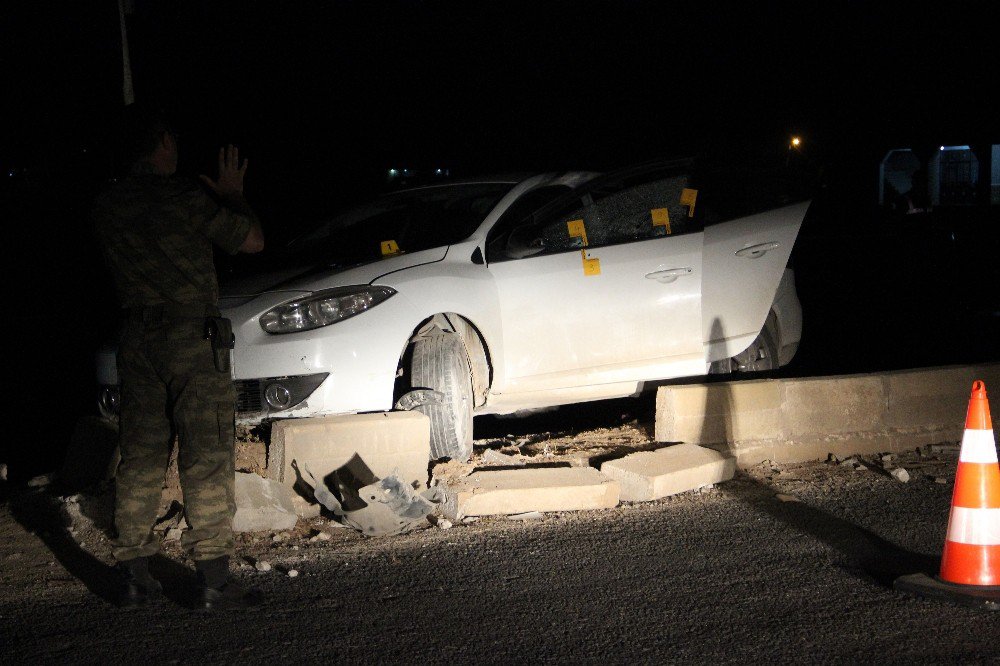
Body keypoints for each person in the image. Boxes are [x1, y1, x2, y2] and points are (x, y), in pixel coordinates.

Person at [92, 104, 265, 609]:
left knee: (140, 455)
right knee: (206, 452)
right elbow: (252, 241)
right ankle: (213, 579)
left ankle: (133, 575)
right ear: (162, 142)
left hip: (136, 338)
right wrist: (233, 196)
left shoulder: (106, 203)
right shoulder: (185, 197)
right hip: (191, 336)